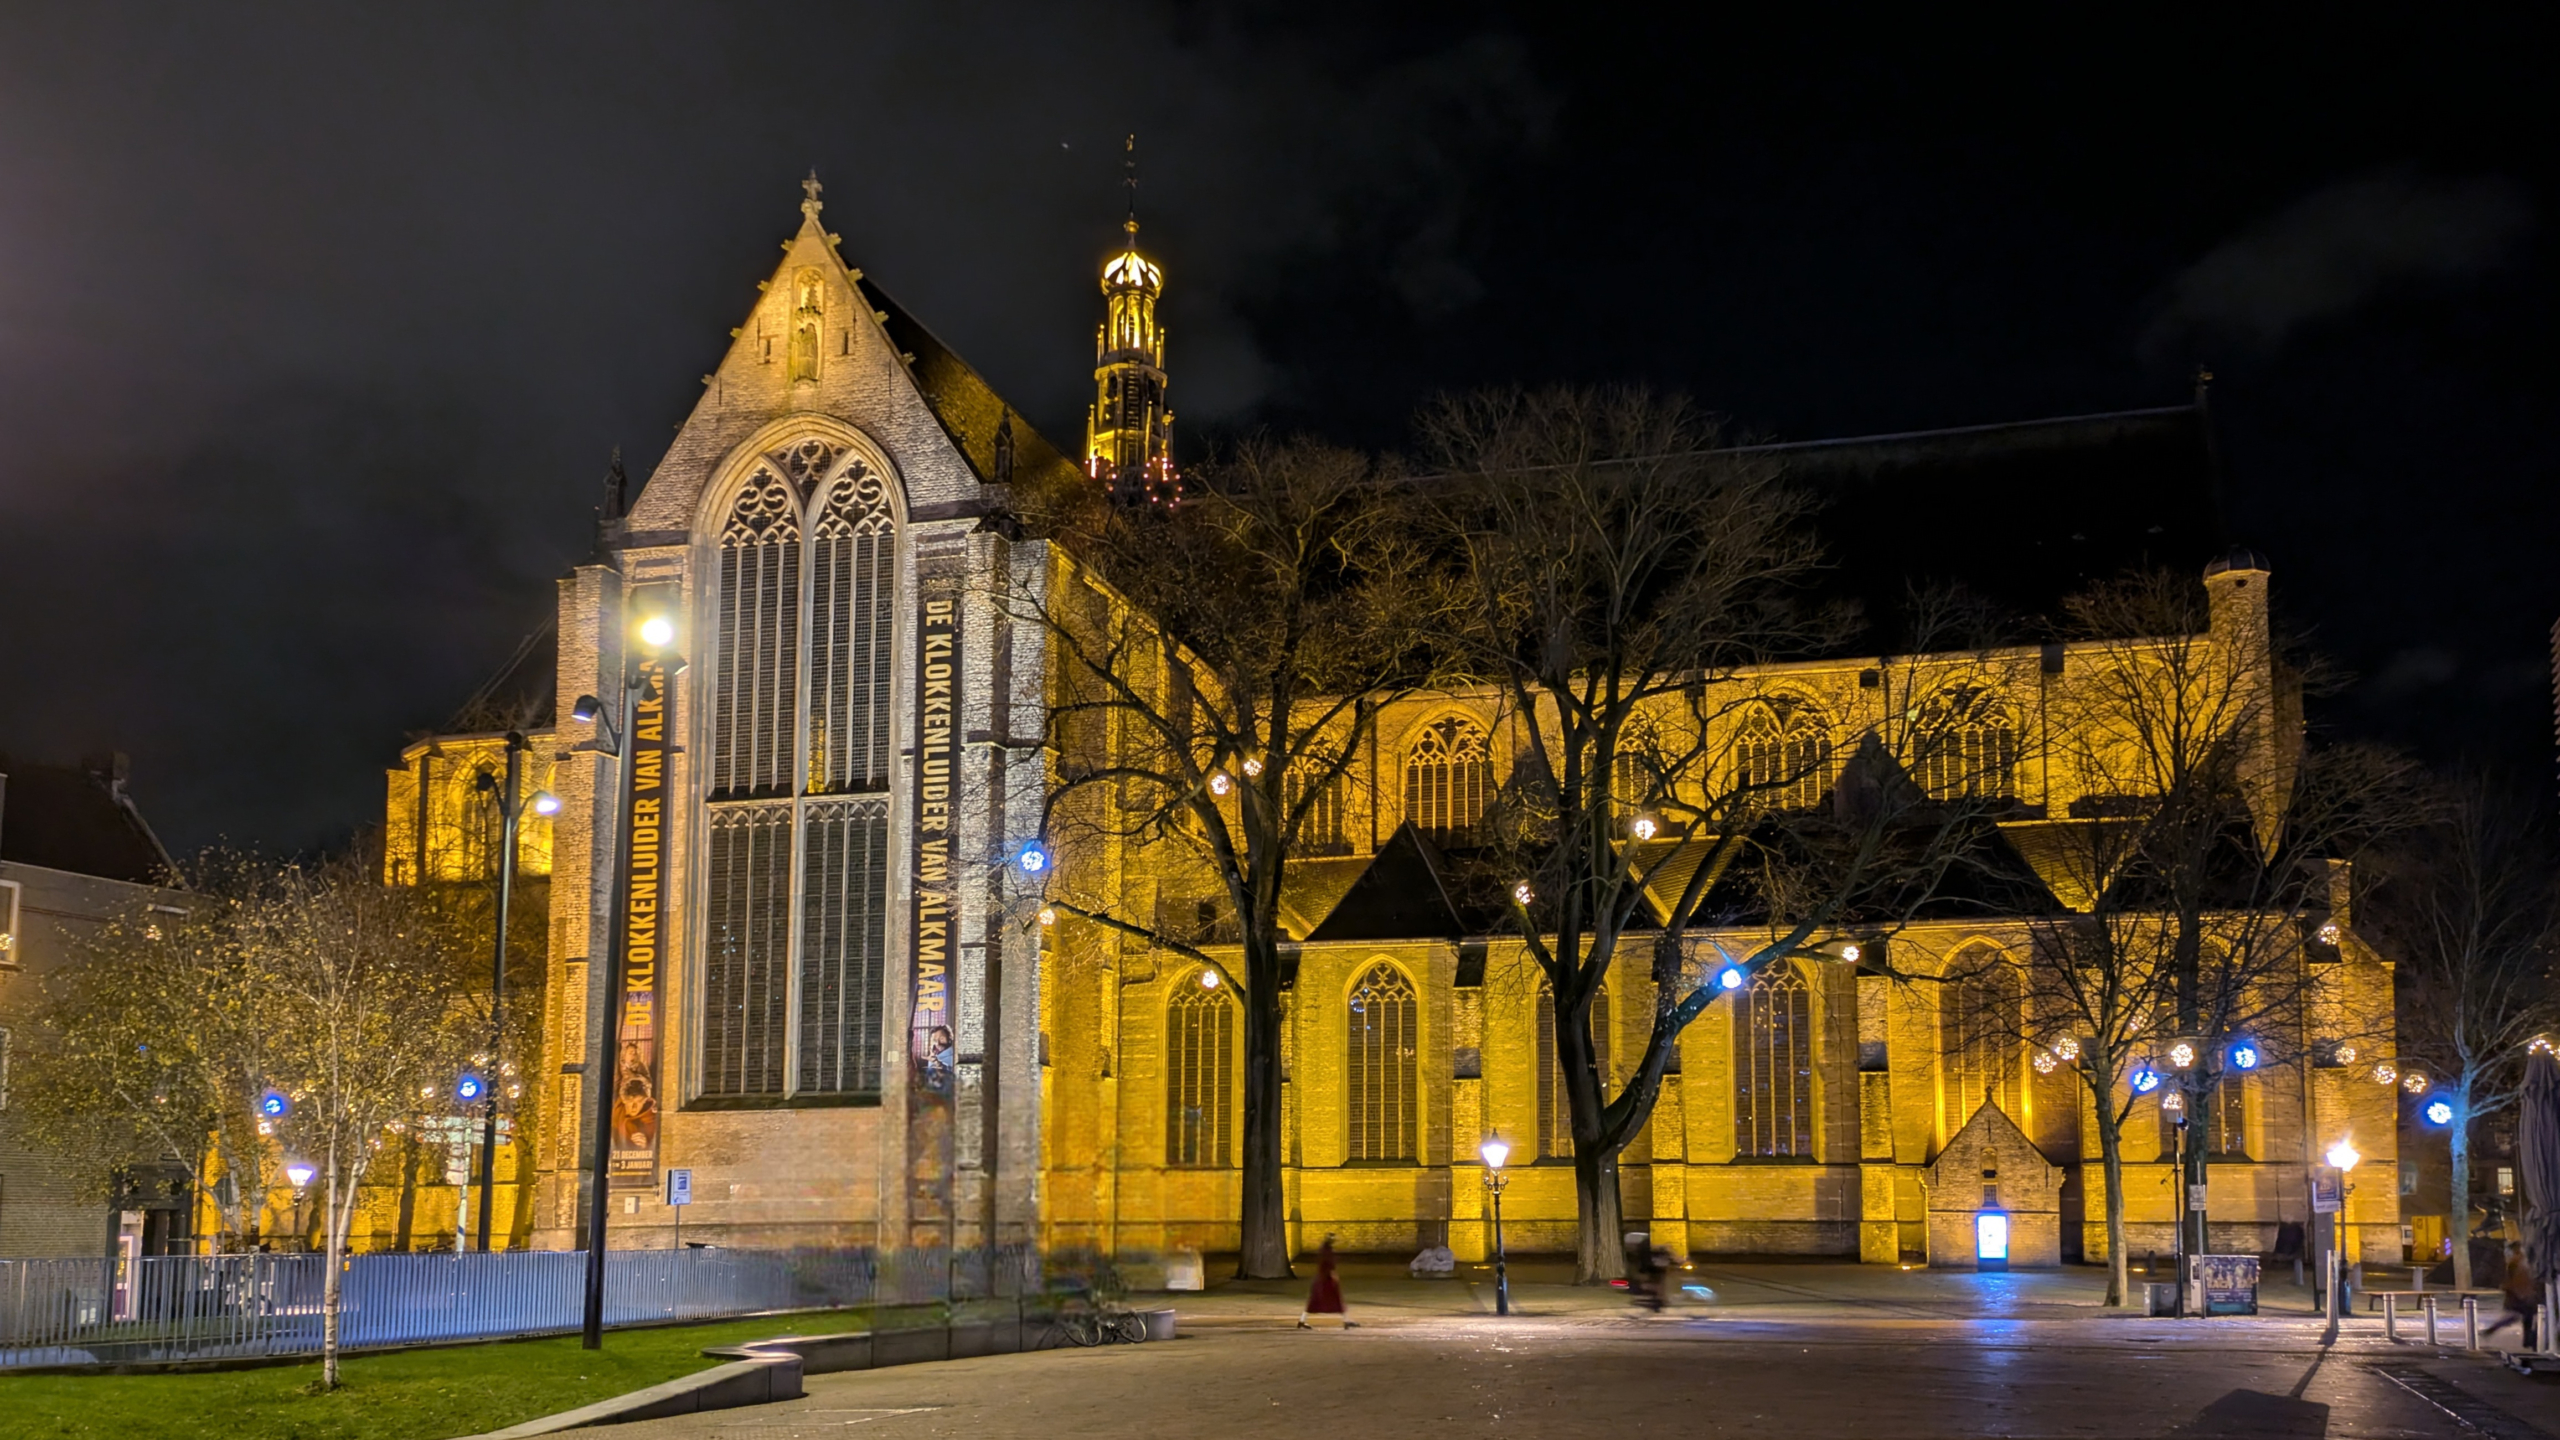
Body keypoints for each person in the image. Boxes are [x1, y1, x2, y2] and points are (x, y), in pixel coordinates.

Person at [2487, 1247, 2542, 1349]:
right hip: (2521, 1296)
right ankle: (2530, 1341)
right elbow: (2517, 1280)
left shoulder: (2520, 1263)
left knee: (2526, 1318)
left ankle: (2529, 1341)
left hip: (2522, 1295)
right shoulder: (2517, 1264)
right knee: (2524, 1317)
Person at [1300, 1234, 1350, 1327]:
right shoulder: (1327, 1251)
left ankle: (1302, 1320)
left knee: (1314, 1301)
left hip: (1321, 1279)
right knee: (1336, 1300)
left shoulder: (1324, 1249)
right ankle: (1346, 1321)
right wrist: (1332, 1274)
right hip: (1326, 1280)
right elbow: (1328, 1264)